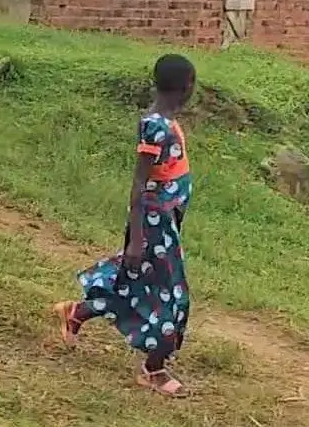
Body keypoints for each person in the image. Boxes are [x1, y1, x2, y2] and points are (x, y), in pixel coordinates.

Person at [52, 53, 196, 397]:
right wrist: (136, 239)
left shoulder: (165, 120)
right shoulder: (155, 125)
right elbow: (139, 185)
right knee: (172, 296)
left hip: (164, 222)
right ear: (187, 86)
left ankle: (76, 312)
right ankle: (153, 369)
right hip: (153, 224)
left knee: (131, 281)